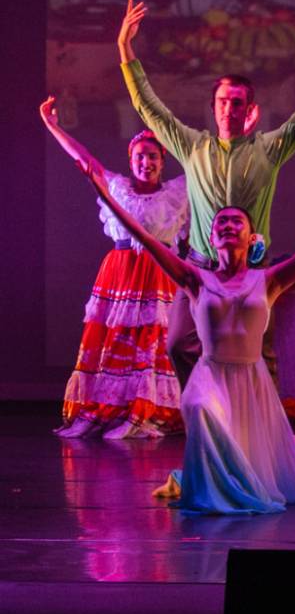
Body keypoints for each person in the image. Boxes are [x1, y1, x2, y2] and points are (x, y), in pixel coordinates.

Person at [62, 149, 295, 514]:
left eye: (236, 222)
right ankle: (217, 486)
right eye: (221, 223)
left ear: (251, 237)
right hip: (210, 374)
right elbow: (144, 237)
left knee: (247, 451)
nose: (228, 225)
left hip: (250, 379)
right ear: (211, 239)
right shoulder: (195, 279)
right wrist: (104, 192)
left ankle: (221, 483)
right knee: (198, 407)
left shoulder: (269, 280)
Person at [117, 0, 295, 374]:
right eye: (223, 101)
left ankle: (267, 431)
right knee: (179, 345)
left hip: (251, 269)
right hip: (200, 267)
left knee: (259, 354)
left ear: (249, 109)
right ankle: (203, 414)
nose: (229, 109)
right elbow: (147, 107)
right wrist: (125, 47)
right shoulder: (193, 146)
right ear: (213, 106)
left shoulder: (269, 149)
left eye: (237, 103)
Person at [41, 99, 187, 439]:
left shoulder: (178, 193)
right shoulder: (118, 188)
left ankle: (148, 408)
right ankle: (112, 406)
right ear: (131, 160)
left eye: (153, 157)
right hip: (121, 272)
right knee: (116, 340)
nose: (146, 162)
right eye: (140, 156)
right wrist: (53, 127)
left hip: (159, 274)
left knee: (152, 342)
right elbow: (84, 160)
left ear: (162, 161)